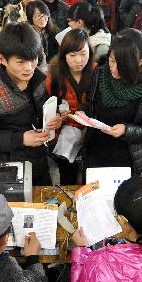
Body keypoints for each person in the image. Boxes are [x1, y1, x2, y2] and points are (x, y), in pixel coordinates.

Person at [0, 23, 60, 185]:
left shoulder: (40, 79)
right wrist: (21, 139)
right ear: (2, 58)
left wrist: (56, 117)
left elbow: (46, 108)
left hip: (40, 160)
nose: (29, 68)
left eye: (33, 59)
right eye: (21, 62)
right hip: (11, 169)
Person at [82, 28, 142, 175]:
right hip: (96, 149)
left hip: (129, 155)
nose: (114, 69)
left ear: (140, 62)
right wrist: (83, 112)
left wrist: (127, 130)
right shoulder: (101, 73)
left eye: (123, 65)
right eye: (112, 60)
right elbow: (91, 104)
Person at [46, 28, 96, 184]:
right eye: (72, 55)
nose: (78, 60)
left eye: (83, 54)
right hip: (64, 137)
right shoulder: (54, 75)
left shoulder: (97, 72)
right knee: (68, 175)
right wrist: (56, 119)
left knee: (90, 176)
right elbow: (48, 105)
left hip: (91, 135)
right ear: (64, 55)